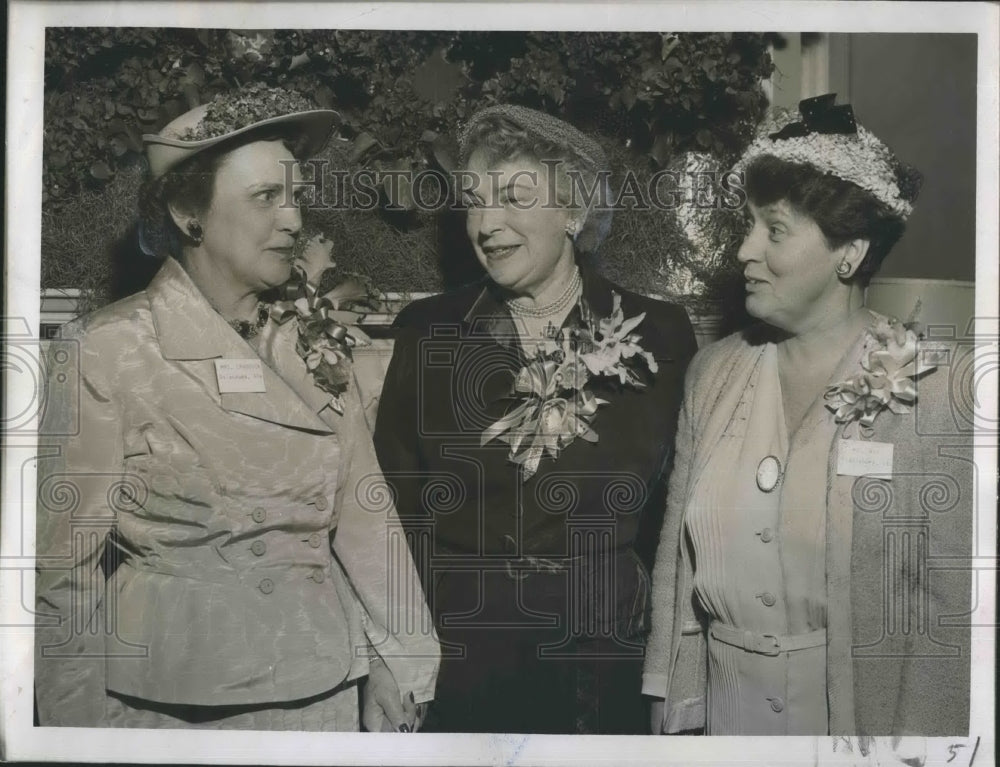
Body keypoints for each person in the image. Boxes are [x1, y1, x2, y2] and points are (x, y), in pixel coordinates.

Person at [34, 85, 439, 730]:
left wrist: (402, 660)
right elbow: (62, 577)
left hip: (323, 690)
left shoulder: (313, 343)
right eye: (265, 198)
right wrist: (69, 734)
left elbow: (367, 516)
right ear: (189, 212)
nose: (294, 221)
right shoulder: (107, 350)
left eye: (297, 197)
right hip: (175, 703)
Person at [643, 94, 972, 737]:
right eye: (748, 226)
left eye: (774, 229)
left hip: (858, 728)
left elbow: (949, 613)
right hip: (720, 723)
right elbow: (673, 567)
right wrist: (665, 700)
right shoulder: (712, 375)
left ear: (849, 252)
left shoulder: (936, 389)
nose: (743, 250)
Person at [373, 104, 697, 733]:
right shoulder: (429, 332)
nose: (487, 225)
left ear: (573, 212)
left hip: (606, 659)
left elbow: (676, 519)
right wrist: (390, 656)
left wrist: (672, 664)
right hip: (462, 655)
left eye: (514, 198)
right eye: (474, 202)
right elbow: (393, 511)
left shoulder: (662, 334)